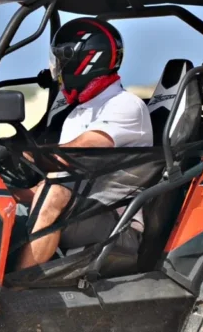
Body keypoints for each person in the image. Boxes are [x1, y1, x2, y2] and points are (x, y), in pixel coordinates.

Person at [14, 17, 153, 270]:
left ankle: (16, 292)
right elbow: (60, 178)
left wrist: (28, 154)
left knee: (53, 191)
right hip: (79, 209)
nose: (55, 69)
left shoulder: (125, 105)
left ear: (84, 62)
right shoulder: (79, 111)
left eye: (60, 61)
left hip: (113, 222)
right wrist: (3, 192)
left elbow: (76, 154)